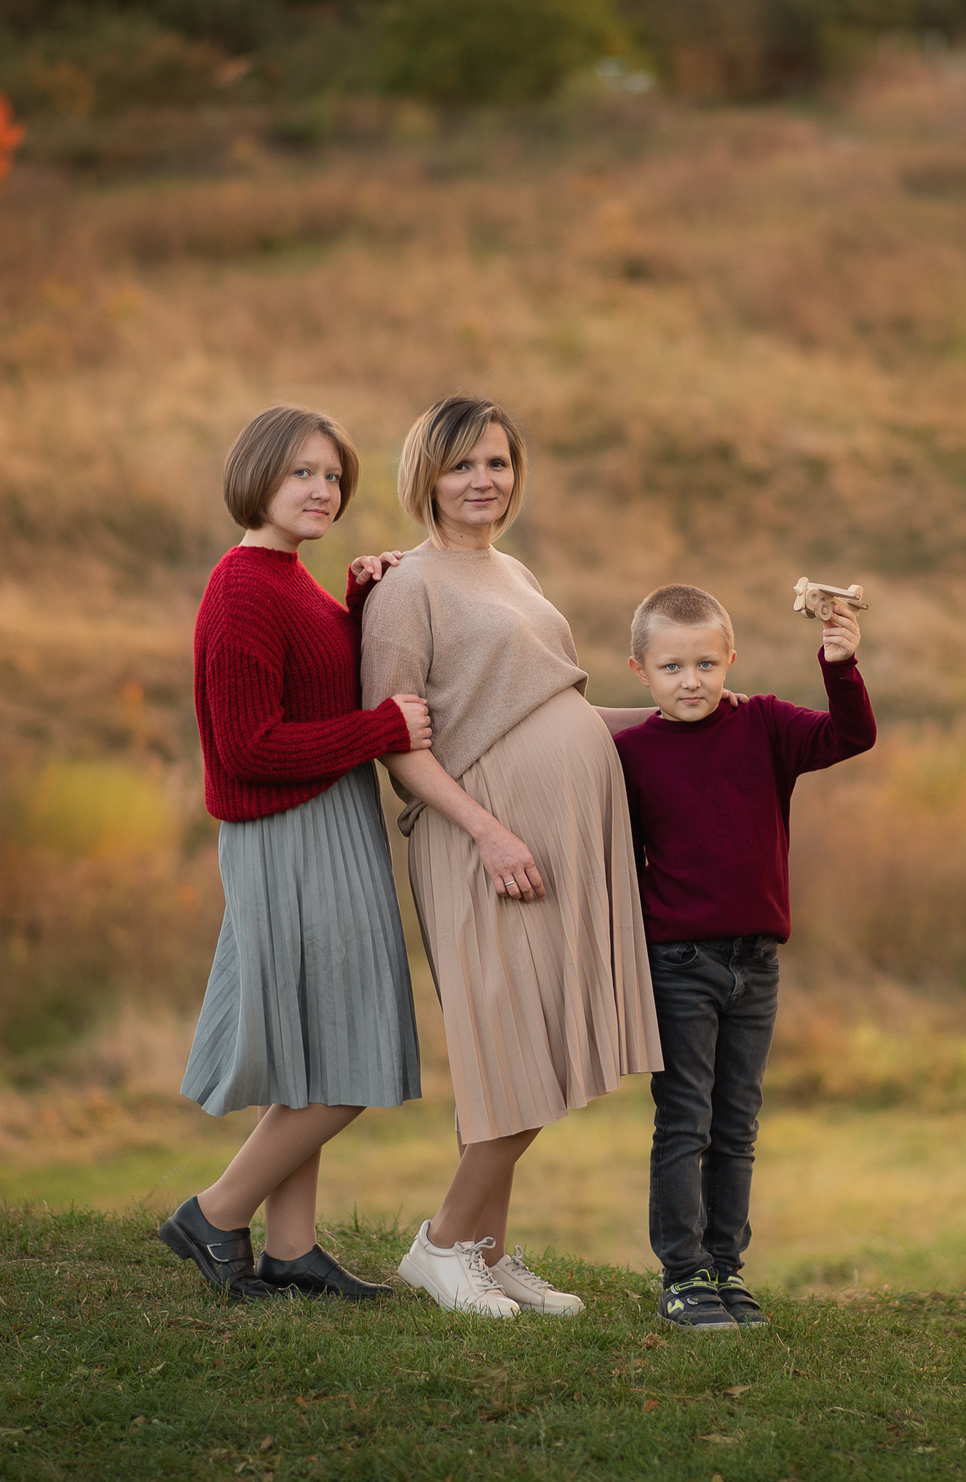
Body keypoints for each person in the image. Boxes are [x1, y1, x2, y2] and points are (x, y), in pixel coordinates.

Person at [357, 395, 664, 1320]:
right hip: (484, 843)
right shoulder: (406, 588)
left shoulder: (515, 572)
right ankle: (443, 1245)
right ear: (428, 478)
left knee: (529, 1047)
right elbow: (399, 743)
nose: (483, 481)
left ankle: (487, 1252)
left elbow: (549, 705)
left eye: (496, 463)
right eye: (462, 466)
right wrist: (489, 831)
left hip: (561, 837)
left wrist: (681, 722)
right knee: (515, 1048)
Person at [154, 406, 433, 1302]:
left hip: (329, 821)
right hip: (289, 834)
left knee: (314, 1048)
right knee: (347, 1057)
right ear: (258, 479)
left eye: (333, 476)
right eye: (302, 474)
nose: (323, 490)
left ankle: (294, 1250)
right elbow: (247, 747)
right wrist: (381, 728)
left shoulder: (291, 579)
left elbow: (308, 685)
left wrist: (357, 603)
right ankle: (214, 1213)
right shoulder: (241, 587)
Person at [612, 582, 875, 1330]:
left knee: (738, 1121)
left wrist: (841, 665)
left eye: (704, 662)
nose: (690, 680)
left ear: (731, 657)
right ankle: (683, 1275)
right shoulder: (629, 755)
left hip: (756, 962)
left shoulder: (762, 724)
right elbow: (615, 859)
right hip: (679, 964)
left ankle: (726, 1269)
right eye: (671, 667)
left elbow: (850, 736)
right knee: (685, 1118)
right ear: (640, 671)